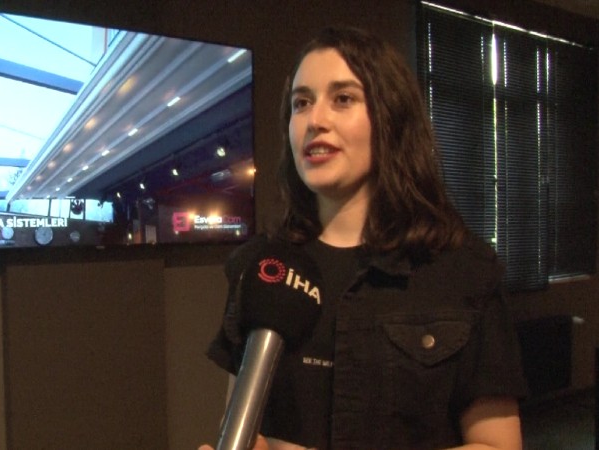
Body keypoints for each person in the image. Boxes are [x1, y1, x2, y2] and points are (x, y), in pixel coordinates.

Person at [200, 26, 527, 450]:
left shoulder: (464, 270)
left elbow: (498, 444)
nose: (315, 120)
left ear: (390, 117)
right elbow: (240, 426)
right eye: (301, 103)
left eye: (343, 98)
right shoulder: (260, 268)